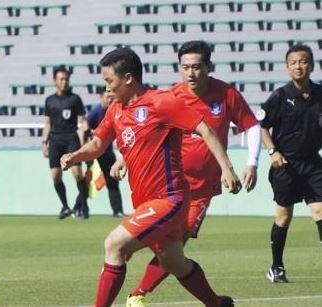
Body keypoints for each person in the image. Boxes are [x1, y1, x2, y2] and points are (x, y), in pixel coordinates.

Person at [60, 47, 241, 307]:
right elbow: (98, 144)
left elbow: (206, 129)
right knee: (174, 262)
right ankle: (216, 303)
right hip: (145, 203)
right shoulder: (115, 110)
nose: (107, 88)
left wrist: (227, 168)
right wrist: (75, 156)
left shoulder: (162, 102)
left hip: (170, 199)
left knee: (114, 245)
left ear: (129, 79)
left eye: (110, 81)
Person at [125, 40, 261, 306]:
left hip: (200, 190)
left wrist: (251, 162)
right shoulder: (172, 97)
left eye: (197, 67)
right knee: (166, 247)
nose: (190, 73)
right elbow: (148, 132)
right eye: (185, 67)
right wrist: (122, 159)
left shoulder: (226, 95)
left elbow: (251, 125)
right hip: (167, 187)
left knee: (175, 246)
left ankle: (138, 294)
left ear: (209, 67)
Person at [259, 44, 322, 283]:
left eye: (304, 61)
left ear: (312, 66)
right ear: (287, 68)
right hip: (285, 164)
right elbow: (262, 126)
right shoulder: (280, 96)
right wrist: (273, 151)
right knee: (284, 217)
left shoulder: (320, 94)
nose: (299, 66)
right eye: (294, 62)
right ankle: (276, 267)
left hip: (313, 163)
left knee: (320, 211)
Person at [41, 65, 89, 219]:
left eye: (66, 79)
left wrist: (84, 137)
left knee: (77, 173)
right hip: (55, 140)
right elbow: (47, 123)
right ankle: (65, 206)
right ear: (55, 81)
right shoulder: (49, 101)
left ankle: (83, 204)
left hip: (71, 138)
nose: (64, 82)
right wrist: (44, 142)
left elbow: (83, 121)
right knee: (56, 176)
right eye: (61, 79)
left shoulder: (75, 99)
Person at [82, 88, 126, 218]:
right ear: (101, 97)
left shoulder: (113, 112)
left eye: (111, 97)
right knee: (89, 183)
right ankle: (80, 208)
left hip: (107, 153)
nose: (110, 100)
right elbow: (85, 124)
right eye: (107, 97)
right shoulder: (96, 112)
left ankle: (117, 210)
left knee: (112, 181)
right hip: (96, 153)